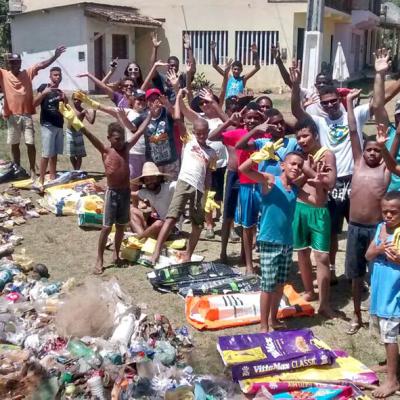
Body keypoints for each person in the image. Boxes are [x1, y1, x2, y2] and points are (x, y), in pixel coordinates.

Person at [290, 59, 372, 284]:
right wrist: (295, 85)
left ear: (339, 98)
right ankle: (332, 270)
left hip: (353, 180)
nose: (329, 106)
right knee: (333, 231)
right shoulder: (318, 121)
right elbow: (296, 110)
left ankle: (360, 275)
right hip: (331, 182)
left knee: (358, 229)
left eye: (333, 101)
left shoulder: (354, 114)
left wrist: (382, 75)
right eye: (324, 103)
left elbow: (379, 102)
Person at [59, 102, 151, 274]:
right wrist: (74, 121)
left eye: (122, 139)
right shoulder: (106, 150)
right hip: (112, 193)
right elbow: (88, 134)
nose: (120, 142)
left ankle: (116, 254)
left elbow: (139, 132)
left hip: (125, 193)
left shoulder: (126, 148)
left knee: (122, 225)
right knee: (107, 227)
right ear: (109, 138)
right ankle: (99, 259)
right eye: (117, 139)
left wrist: (150, 116)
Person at [345, 50, 400, 335]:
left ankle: (386, 318)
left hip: (387, 220)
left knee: (388, 270)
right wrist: (379, 74)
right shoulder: (372, 151)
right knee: (365, 271)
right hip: (369, 223)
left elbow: (390, 160)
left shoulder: (386, 160)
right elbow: (371, 114)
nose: (373, 153)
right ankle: (363, 315)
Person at [240, 151, 326, 332]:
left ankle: (273, 319)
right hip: (269, 241)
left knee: (279, 285)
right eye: (292, 164)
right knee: (267, 286)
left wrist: (318, 185)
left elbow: (317, 202)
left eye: (299, 165)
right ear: (283, 166)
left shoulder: (294, 189)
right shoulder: (270, 181)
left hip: (287, 242)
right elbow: (244, 169)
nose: (296, 168)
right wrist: (257, 157)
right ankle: (263, 325)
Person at [151, 118, 217, 265]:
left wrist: (208, 194)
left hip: (199, 189)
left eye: (204, 133)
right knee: (171, 217)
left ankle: (188, 254)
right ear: (194, 132)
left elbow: (208, 175)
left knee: (198, 224)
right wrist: (178, 95)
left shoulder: (211, 152)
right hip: (184, 182)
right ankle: (156, 251)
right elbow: (178, 120)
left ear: (207, 132)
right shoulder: (188, 140)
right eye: (198, 133)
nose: (201, 136)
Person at [209, 103, 265, 273]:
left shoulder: (265, 134)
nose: (252, 121)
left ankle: (244, 255)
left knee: (248, 220)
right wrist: (227, 122)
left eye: (256, 118)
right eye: (249, 117)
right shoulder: (236, 132)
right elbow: (212, 136)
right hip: (235, 177)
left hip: (255, 180)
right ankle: (223, 252)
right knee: (228, 215)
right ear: (243, 119)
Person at [292, 118, 337, 317]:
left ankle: (325, 303)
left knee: (322, 256)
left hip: (319, 211)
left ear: (315, 135)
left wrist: (308, 170)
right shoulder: (301, 156)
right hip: (300, 209)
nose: (302, 140)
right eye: (298, 137)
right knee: (301, 252)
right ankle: (309, 290)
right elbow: (294, 182)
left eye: (305, 136)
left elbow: (330, 184)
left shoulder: (326, 154)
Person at [0, 46, 66, 177]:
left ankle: (32, 169)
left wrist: (55, 56)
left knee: (30, 143)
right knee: (14, 144)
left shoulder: (27, 73)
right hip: (12, 115)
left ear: (20, 63)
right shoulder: (3, 74)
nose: (15, 64)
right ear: (9, 63)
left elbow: (41, 65)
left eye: (17, 62)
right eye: (13, 62)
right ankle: (17, 168)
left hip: (26, 114)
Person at [178, 87, 228, 239]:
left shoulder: (222, 117)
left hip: (222, 163)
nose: (205, 105)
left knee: (219, 195)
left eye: (207, 101)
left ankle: (224, 222)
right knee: (208, 195)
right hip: (205, 164)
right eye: (201, 103)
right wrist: (177, 89)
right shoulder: (200, 119)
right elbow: (183, 109)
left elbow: (231, 122)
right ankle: (209, 225)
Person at [366, 191, 400, 398]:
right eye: (384, 211)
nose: (388, 216)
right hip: (381, 289)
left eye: (393, 212)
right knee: (386, 333)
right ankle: (391, 365)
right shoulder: (380, 228)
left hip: (394, 293)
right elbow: (367, 254)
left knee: (390, 335)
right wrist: (378, 249)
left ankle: (392, 381)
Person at [34, 67, 67, 185]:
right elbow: (34, 103)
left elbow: (65, 108)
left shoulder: (59, 91)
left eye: (59, 75)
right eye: (55, 75)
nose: (57, 77)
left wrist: (65, 98)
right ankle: (41, 180)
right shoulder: (44, 87)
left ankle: (52, 176)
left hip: (59, 124)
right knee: (46, 153)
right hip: (47, 125)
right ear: (50, 76)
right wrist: (43, 93)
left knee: (54, 153)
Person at [130, 162, 176, 239]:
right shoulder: (147, 192)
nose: (150, 182)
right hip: (159, 224)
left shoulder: (170, 187)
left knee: (158, 224)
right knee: (133, 210)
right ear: (144, 182)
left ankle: (140, 237)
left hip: (172, 228)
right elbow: (132, 194)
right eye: (147, 180)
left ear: (159, 178)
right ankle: (144, 236)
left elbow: (185, 187)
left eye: (152, 178)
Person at [65, 92, 96, 170]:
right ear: (72, 100)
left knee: (79, 154)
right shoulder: (69, 108)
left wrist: (94, 112)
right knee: (71, 154)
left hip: (78, 132)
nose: (76, 101)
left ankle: (77, 171)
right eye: (75, 99)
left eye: (79, 100)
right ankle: (75, 169)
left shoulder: (83, 110)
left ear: (81, 101)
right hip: (69, 132)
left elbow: (91, 121)